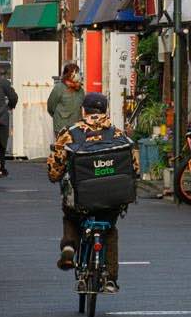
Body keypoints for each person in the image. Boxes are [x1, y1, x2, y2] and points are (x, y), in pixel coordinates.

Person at [47, 91, 132, 291]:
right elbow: (133, 167)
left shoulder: (70, 132)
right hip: (111, 199)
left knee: (71, 217)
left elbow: (55, 168)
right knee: (109, 230)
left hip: (81, 199)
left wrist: (55, 176)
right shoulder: (118, 134)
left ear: (83, 110)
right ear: (105, 111)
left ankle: (69, 246)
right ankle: (110, 279)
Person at [46, 62, 85, 136]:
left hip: (77, 128)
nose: (77, 75)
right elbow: (51, 107)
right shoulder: (59, 88)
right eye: (75, 72)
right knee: (62, 147)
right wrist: (59, 117)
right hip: (62, 128)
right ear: (68, 74)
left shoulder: (80, 90)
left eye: (78, 72)